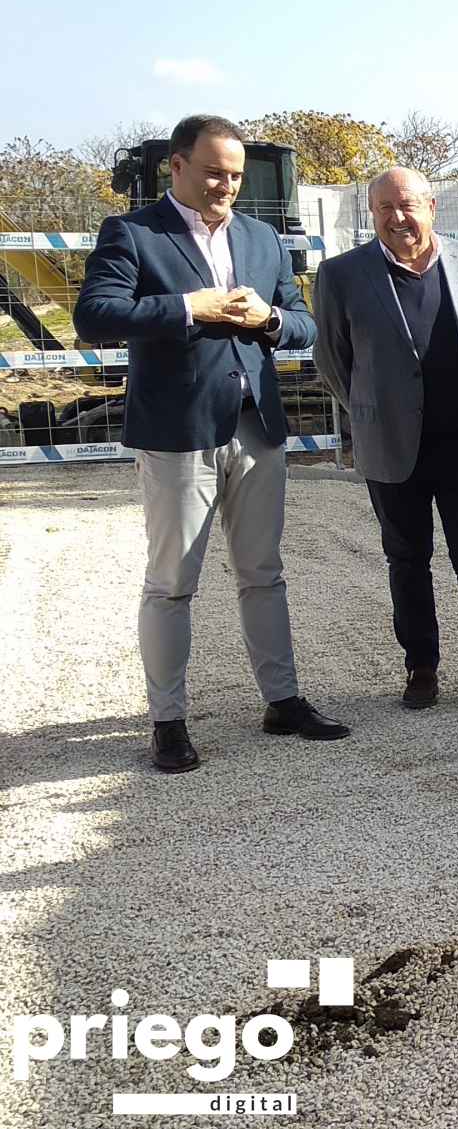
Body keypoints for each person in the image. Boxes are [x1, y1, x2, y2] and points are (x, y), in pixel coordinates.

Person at [73, 114, 347, 773]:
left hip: (257, 428)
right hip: (177, 435)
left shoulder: (261, 238)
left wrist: (271, 320)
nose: (226, 184)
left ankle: (282, 699)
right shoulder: (134, 233)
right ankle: (168, 720)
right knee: (171, 582)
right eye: (213, 172)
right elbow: (94, 315)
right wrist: (186, 309)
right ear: (177, 166)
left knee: (264, 573)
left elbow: (302, 323)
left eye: (234, 174)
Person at [313, 167, 458, 711]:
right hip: (393, 447)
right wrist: (374, 412)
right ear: (371, 214)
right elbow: (334, 361)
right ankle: (421, 668)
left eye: (408, 205)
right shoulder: (342, 274)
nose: (398, 217)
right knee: (406, 559)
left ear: (432, 206)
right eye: (384, 208)